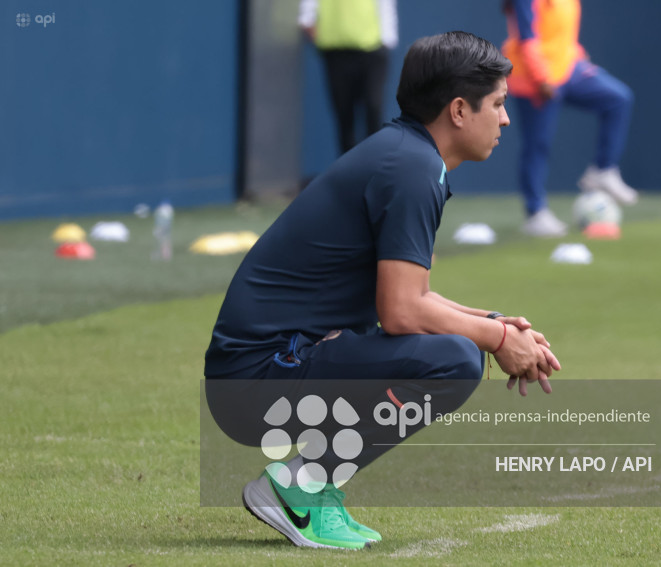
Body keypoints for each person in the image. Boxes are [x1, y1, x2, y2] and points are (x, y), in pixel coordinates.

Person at [204, 31, 561, 550]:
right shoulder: (413, 170)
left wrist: (498, 323)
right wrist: (496, 341)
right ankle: (298, 488)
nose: (506, 119)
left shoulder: (407, 156)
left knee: (458, 347)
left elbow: (412, 296)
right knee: (455, 361)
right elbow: (401, 312)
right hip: (257, 381)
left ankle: (314, 488)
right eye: (499, 104)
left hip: (265, 369)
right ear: (459, 110)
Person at [503, 0, 638, 238]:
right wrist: (541, 78)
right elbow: (527, 37)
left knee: (618, 98)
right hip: (534, 75)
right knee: (537, 144)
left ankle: (603, 170)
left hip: (568, 67)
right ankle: (535, 212)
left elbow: (564, 33)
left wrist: (579, 58)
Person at [298, 0, 398, 154]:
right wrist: (306, 18)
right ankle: (350, 175)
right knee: (345, 119)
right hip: (336, 51)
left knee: (373, 110)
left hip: (373, 49)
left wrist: (386, 40)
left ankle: (375, 169)